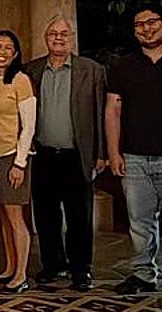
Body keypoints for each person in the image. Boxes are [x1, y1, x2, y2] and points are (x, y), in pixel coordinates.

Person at [106, 5, 162, 310]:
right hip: (134, 155)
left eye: (152, 22)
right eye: (139, 25)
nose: (146, 28)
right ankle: (144, 274)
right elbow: (113, 110)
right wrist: (113, 151)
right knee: (140, 222)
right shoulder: (123, 66)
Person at [23, 16, 106, 291]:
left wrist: (101, 153)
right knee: (46, 214)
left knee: (79, 215)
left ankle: (81, 269)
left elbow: (100, 114)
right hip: (43, 154)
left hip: (76, 155)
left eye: (64, 34)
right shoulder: (32, 70)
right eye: (53, 34)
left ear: (72, 38)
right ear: (45, 38)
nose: (58, 38)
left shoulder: (91, 70)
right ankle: (52, 264)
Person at [0, 31, 36, 293]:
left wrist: (20, 162)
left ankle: (22, 274)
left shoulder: (21, 80)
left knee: (16, 216)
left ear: (15, 53)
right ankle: (10, 265)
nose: (2, 51)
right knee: (4, 215)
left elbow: (28, 126)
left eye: (8, 47)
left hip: (12, 156)